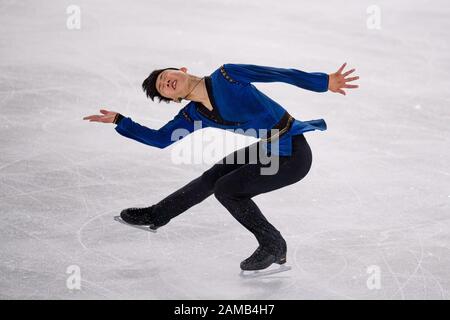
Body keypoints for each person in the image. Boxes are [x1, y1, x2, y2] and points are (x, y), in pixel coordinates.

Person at [83, 62, 359, 271]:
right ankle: (157, 215)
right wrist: (121, 120)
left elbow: (279, 74)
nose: (166, 81)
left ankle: (273, 244)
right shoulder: (192, 114)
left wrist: (324, 82)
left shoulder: (228, 75)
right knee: (215, 175)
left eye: (166, 76)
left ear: (181, 70)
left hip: (292, 155)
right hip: (269, 148)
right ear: (174, 99)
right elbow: (160, 140)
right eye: (162, 87)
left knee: (227, 189)